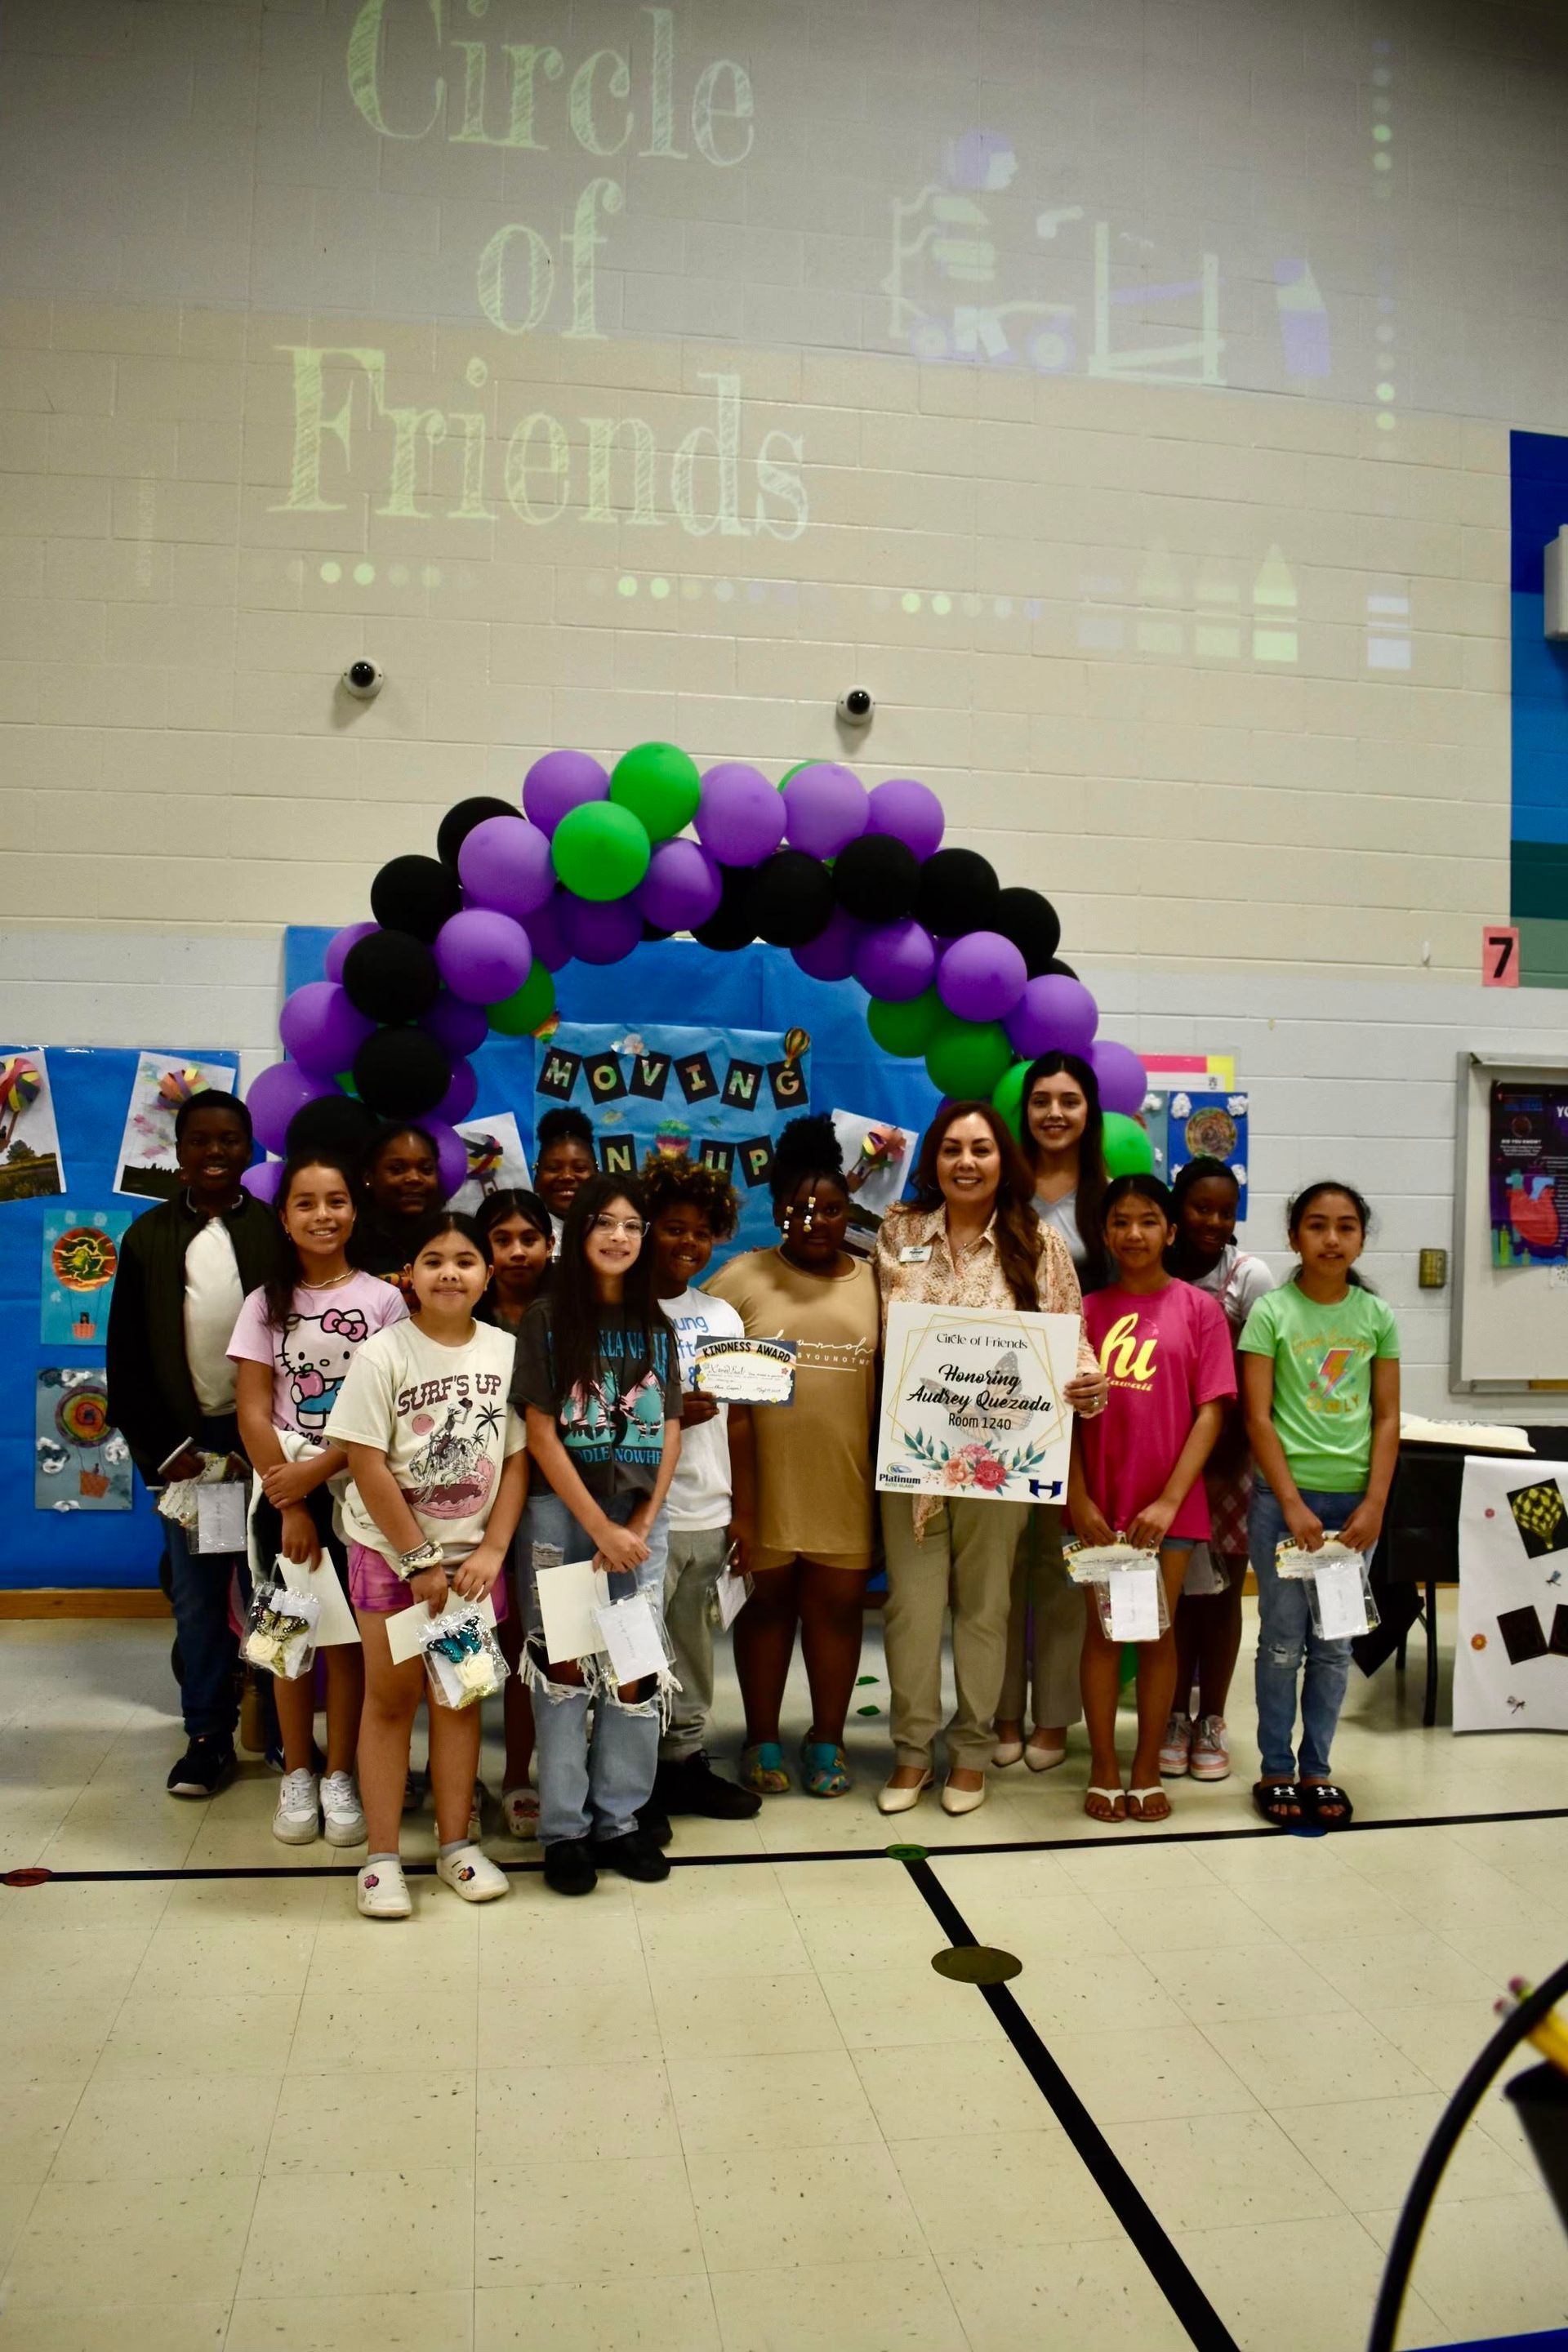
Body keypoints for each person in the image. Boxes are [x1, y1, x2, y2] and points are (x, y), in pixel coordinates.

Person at [874, 1102, 1105, 1818]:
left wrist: (1090, 1383)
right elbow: (878, 1334)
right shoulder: (898, 1234)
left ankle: (970, 1753)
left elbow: (1072, 1342)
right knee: (910, 1611)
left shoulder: (1038, 1242)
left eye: (980, 1149)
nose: (965, 1162)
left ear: (1004, 1160)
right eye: (951, 1149)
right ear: (933, 1160)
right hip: (912, 1460)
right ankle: (913, 1752)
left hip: (997, 1464)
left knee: (985, 1609)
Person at [327, 1211, 526, 1918]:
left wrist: (495, 1550)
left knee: (460, 1698)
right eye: (434, 1259)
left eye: (466, 1259)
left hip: (472, 1567)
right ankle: (382, 1856)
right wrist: (416, 1558)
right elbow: (363, 1459)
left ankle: (455, 1846)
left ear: (488, 1274)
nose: (450, 1271)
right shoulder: (384, 1354)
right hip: (392, 1560)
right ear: (407, 1276)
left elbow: (515, 1460)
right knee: (390, 1703)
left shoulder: (506, 1351)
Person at [510, 1175, 683, 1896]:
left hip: (639, 1522)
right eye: (603, 1223)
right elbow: (542, 1435)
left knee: (637, 1670)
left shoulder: (656, 1325)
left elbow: (670, 1429)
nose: (619, 1237)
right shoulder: (547, 1319)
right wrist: (598, 1528)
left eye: (633, 1226)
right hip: (562, 1518)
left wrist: (640, 1522)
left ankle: (620, 1818)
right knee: (565, 1671)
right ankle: (565, 1830)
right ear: (577, 1234)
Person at [230, 1148, 408, 1845]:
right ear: (285, 1217)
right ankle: (296, 1773)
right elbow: (251, 1411)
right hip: (285, 1499)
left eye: (334, 1200)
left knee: (350, 1646)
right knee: (289, 1641)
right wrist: (293, 1502)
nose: (322, 1214)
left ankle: (340, 1775)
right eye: (306, 1203)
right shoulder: (263, 1303)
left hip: (362, 1497)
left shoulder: (383, 1300)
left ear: (354, 1211)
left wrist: (325, 1471)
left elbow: (389, 1408)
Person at [706, 1115, 880, 1799]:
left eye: (832, 1209)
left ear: (849, 1213)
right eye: (802, 1209)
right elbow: (701, 1374)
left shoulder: (875, 1283)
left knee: (837, 1614)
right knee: (767, 1611)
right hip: (763, 1491)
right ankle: (762, 1737)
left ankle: (828, 1738)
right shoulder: (740, 1280)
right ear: (779, 1211)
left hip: (845, 1485)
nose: (816, 1221)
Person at [107, 1089, 274, 1797]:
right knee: (202, 1597)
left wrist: (276, 1446)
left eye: (229, 1140)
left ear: (249, 1149)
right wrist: (166, 1449)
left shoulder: (275, 1232)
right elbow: (128, 1359)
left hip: (267, 1445)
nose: (214, 1152)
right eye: (200, 1140)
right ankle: (207, 1734)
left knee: (275, 1589)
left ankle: (279, 1727)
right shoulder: (147, 1238)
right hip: (189, 1451)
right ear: (177, 1153)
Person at [1068, 1174, 1235, 1823]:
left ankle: (1145, 1766)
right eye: (1119, 1222)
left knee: (1158, 1633)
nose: (1132, 1234)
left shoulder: (1200, 1310)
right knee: (1105, 1633)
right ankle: (1104, 1764)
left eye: (1146, 1221)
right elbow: (1061, 1418)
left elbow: (1211, 1413)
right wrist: (1078, 1499)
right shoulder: (1082, 1311)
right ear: (1105, 1233)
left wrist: (1169, 1501)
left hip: (1169, 1507)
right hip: (1096, 1503)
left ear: (1169, 1231)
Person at [1239, 1182, 1400, 1830]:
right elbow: (1256, 1418)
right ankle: (1276, 1767)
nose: (1331, 1239)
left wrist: (1375, 1505)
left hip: (1352, 1511)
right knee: (1281, 1643)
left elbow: (1387, 1418)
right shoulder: (1271, 1313)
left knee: (1334, 1647)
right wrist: (1292, 1504)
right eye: (1316, 1226)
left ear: (1360, 1238)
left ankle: (1318, 1770)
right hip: (1285, 1509)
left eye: (1345, 1227)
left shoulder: (1377, 1317)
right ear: (1293, 1237)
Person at [994, 1049, 1111, 1774]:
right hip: (998, 1400)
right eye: (1042, 1100)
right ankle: (1002, 1707)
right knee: (999, 1567)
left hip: (1080, 1401)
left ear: (1089, 1111)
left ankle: (1055, 1716)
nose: (1055, 1113)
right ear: (1025, 1111)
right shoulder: (1000, 1189)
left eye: (1069, 1100)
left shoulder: (1110, 1198)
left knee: (1065, 1563)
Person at [639, 1152, 761, 1829]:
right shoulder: (616, 1309)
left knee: (691, 1642)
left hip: (707, 1510)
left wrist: (742, 1511)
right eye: (673, 1227)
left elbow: (739, 1418)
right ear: (646, 1227)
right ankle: (633, 1774)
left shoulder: (719, 1315)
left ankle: (684, 1761)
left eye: (702, 1231)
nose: (688, 1242)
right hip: (639, 1515)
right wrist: (667, 1410)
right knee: (633, 1644)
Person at [1160, 1158, 1275, 1784]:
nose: (1213, 1221)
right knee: (1173, 1595)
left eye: (1225, 1211)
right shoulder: (1155, 1270)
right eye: (1201, 1208)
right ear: (1178, 1210)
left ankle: (1212, 1718)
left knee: (1224, 1593)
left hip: (1228, 1462)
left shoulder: (1247, 1276)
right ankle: (1173, 1712)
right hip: (1164, 1460)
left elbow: (1263, 1376)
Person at [474, 1187, 555, 1838]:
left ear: (550, 1246)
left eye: (529, 1238)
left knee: (532, 1640)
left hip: (548, 1502)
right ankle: (460, 1774)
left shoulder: (565, 1313)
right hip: (467, 1507)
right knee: (468, 1642)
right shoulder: (459, 1315)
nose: (518, 1250)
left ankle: (520, 1776)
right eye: (503, 1239)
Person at [353, 1123, 443, 1285]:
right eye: (397, 1169)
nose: (414, 1178)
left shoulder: (452, 1239)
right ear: (368, 1178)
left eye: (426, 1169)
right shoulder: (349, 1246)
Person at [534, 1106, 597, 1241]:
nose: (567, 1176)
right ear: (537, 1176)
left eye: (579, 1168)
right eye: (553, 1168)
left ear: (596, 1173)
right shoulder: (525, 1235)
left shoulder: (615, 1232)